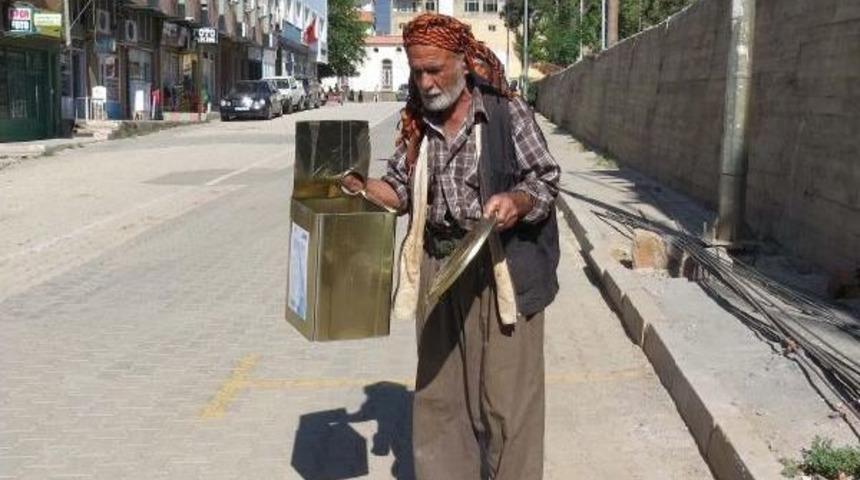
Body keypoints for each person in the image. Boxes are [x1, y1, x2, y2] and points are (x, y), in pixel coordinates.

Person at [340, 12, 560, 480]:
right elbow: (400, 189)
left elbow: (545, 180)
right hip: (441, 271)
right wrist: (363, 188)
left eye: (435, 68)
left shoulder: (503, 111)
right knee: (440, 400)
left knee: (506, 403)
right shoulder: (417, 121)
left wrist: (516, 202)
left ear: (463, 62)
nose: (426, 80)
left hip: (503, 271)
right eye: (417, 70)